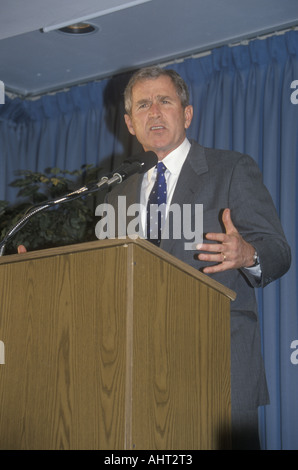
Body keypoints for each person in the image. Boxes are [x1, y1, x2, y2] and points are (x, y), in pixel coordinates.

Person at [103, 66, 291, 449]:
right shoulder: (115, 196)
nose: (154, 111)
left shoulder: (231, 169)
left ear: (186, 114)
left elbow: (278, 251)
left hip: (217, 365)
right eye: (143, 105)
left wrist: (247, 253)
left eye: (165, 101)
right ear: (130, 124)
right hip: (140, 373)